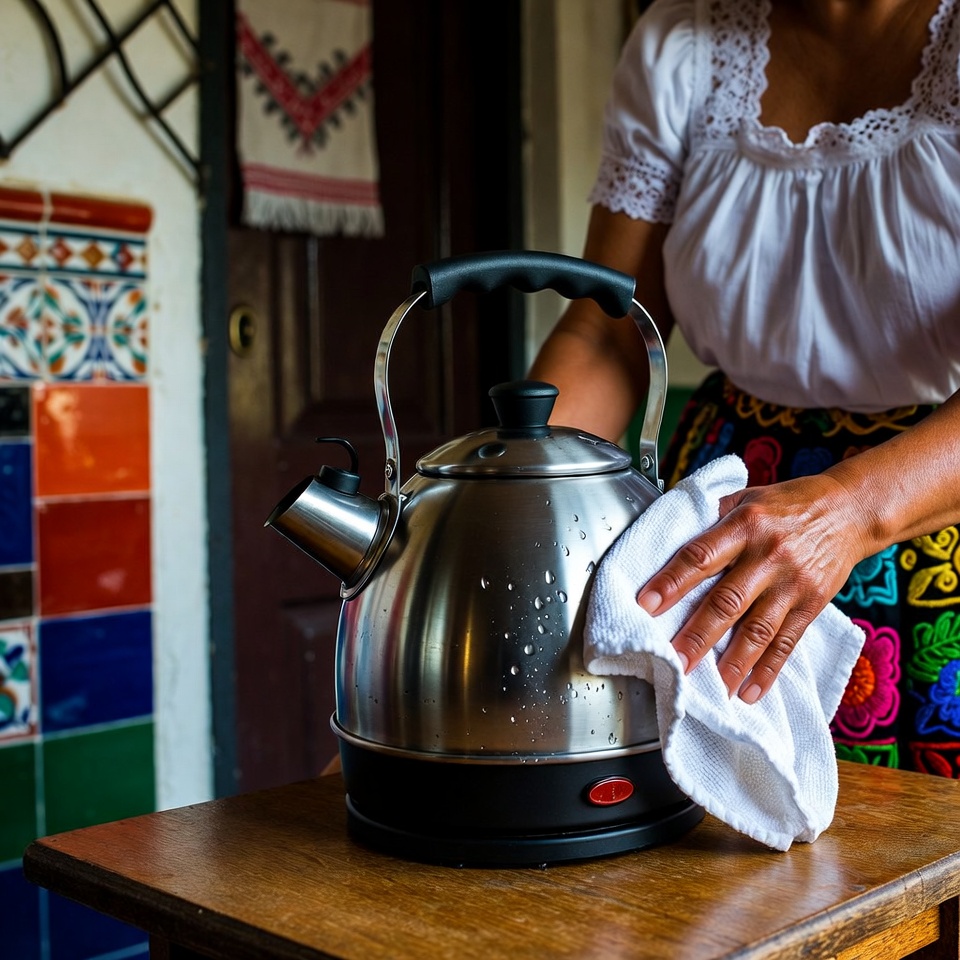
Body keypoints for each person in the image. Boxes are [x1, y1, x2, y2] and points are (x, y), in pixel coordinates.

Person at [528, 0, 960, 776]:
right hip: (722, 509)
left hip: (930, 504)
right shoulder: (682, 44)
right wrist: (507, 508)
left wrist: (849, 510)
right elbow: (607, 335)